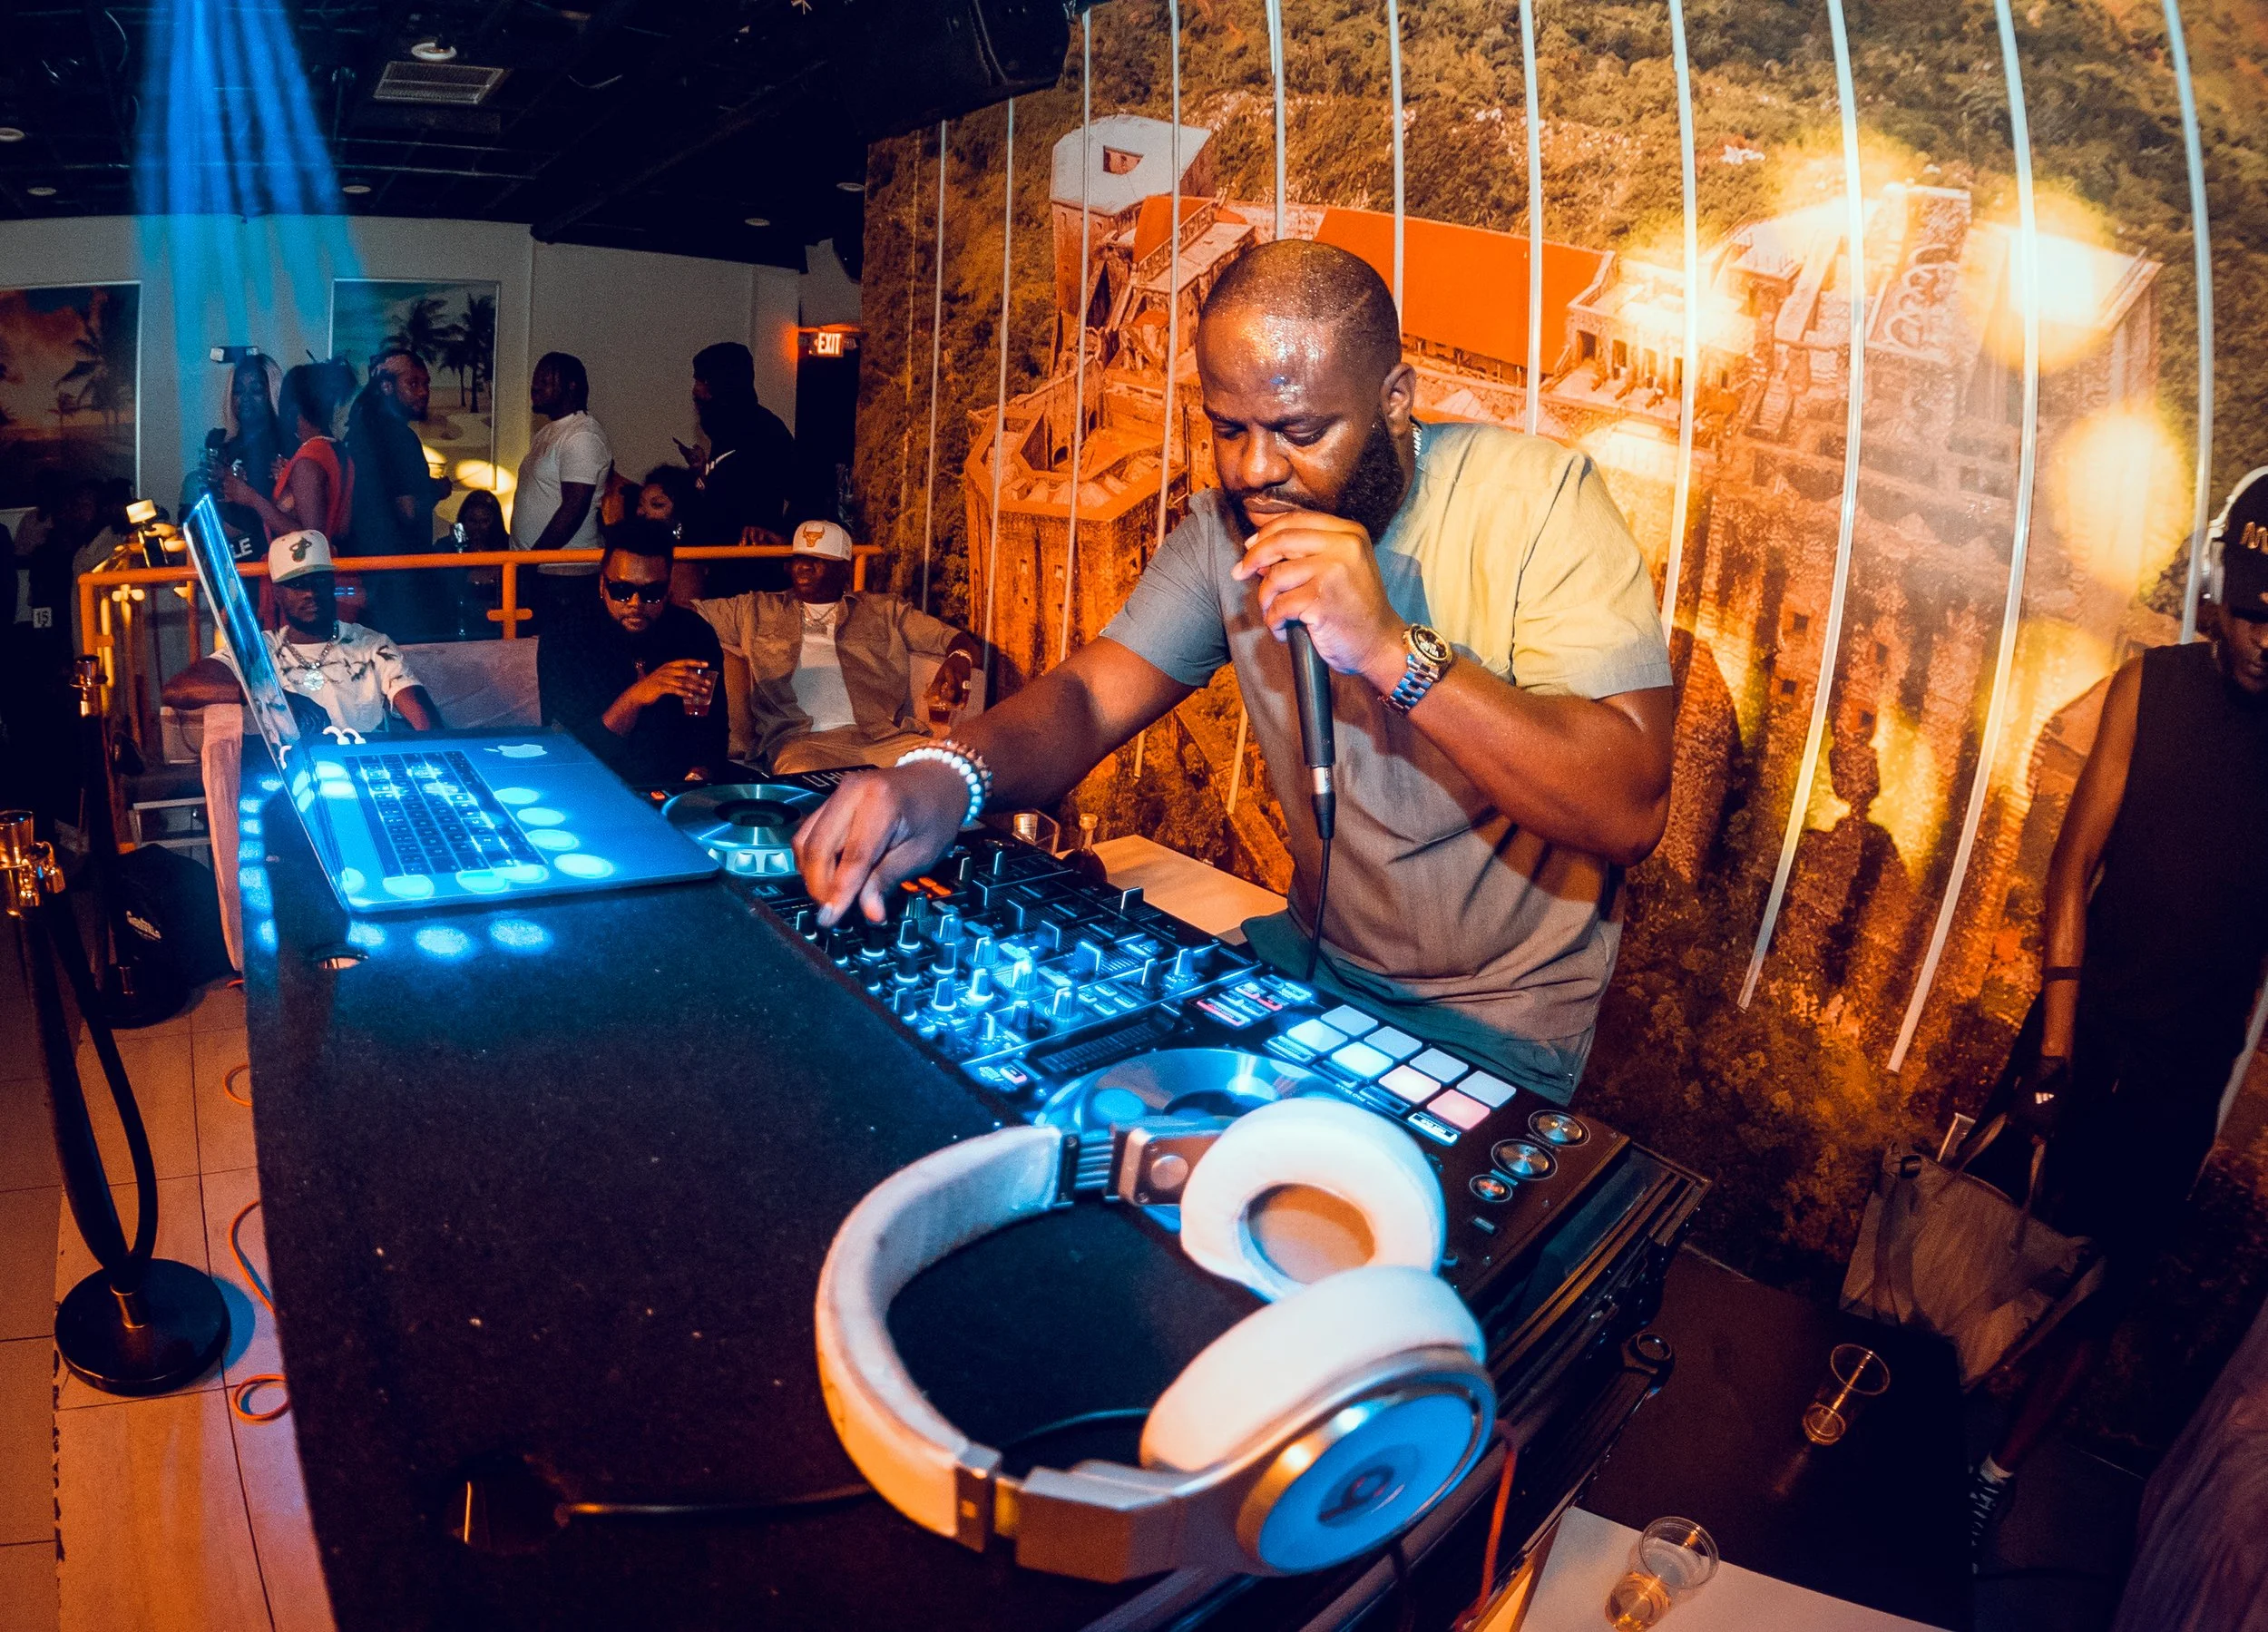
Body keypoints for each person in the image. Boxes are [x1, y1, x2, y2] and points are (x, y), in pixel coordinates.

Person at [792, 240, 1674, 1094]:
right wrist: (943, 777)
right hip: (1309, 964)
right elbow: (1090, 692)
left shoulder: (1537, 497)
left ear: (1394, 397)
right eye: (1228, 429)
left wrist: (1387, 647)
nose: (1256, 469)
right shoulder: (1227, 530)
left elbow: (1626, 802)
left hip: (1491, 1024)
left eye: (1300, 430)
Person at [1960, 482, 2268, 1555]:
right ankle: (1919, 1418)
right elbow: (2070, 865)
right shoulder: (2154, 685)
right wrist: (2052, 1046)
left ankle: (1997, 1470)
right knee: (1989, 1239)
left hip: (2185, 1074)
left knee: (2099, 1290)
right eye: (2250, 609)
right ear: (2217, 593)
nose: (2262, 639)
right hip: (2079, 1026)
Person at [699, 518, 978, 775]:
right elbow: (687, 614)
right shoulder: (756, 609)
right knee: (803, 781)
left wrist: (960, 657)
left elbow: (953, 639)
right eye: (799, 558)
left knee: (954, 770)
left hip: (883, 739)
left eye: (819, 559)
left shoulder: (884, 610)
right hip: (803, 744)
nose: (804, 566)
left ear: (843, 568)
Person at [163, 529, 437, 736]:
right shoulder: (260, 649)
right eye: (297, 584)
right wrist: (270, 696)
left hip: (361, 776)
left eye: (318, 580)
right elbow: (178, 690)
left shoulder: (371, 644)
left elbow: (426, 722)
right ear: (277, 593)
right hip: (290, 782)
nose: (310, 593)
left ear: (332, 583)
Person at [538, 517, 727, 786]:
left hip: (677, 788)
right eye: (622, 590)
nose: (635, 603)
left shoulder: (693, 634)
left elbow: (712, 735)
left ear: (669, 588)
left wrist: (696, 782)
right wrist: (636, 698)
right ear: (602, 585)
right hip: (592, 784)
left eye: (652, 591)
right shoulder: (566, 636)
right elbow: (568, 752)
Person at [347, 348, 455, 640]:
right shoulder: (398, 437)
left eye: (426, 384)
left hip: (370, 572)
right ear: (386, 386)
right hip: (399, 577)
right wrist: (437, 490)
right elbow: (407, 510)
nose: (424, 392)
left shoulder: (362, 431)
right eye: (414, 383)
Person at [682, 342, 801, 595]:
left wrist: (780, 536)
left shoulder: (764, 431)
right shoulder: (726, 430)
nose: (696, 391)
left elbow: (805, 492)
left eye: (703, 381)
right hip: (721, 572)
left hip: (750, 579)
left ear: (722, 384)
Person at [510, 352, 613, 630]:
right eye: (535, 379)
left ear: (572, 385)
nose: (535, 386)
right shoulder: (548, 432)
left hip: (566, 577)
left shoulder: (581, 435)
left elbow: (574, 508)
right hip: (541, 570)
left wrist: (532, 559)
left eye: (545, 379)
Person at [220, 362, 355, 545]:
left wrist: (252, 498)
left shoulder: (308, 461)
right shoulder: (336, 450)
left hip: (306, 572)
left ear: (291, 408)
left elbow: (310, 542)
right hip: (337, 568)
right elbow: (342, 528)